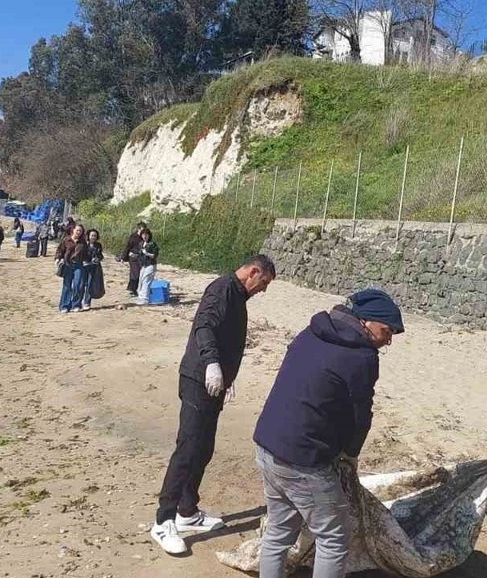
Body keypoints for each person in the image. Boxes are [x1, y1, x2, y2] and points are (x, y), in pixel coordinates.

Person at [253, 289, 404, 578]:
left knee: (279, 530)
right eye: (386, 331)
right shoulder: (362, 357)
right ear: (366, 321)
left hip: (267, 442)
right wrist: (351, 453)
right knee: (334, 538)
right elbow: (360, 415)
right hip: (302, 459)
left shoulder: (311, 332)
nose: (388, 340)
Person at [150, 255, 277, 555]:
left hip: (214, 386)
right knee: (188, 448)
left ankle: (187, 511)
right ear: (253, 272)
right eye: (264, 282)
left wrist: (226, 376)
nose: (264, 289)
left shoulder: (238, 296)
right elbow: (204, 326)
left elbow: (227, 337)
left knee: (204, 448)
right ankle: (163, 520)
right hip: (198, 379)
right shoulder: (222, 289)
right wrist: (211, 364)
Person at [54, 224, 88, 313]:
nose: (79, 232)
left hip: (79, 265)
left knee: (78, 285)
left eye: (80, 231)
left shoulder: (83, 242)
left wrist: (88, 260)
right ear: (73, 230)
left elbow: (86, 253)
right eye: (77, 230)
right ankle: (64, 306)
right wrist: (58, 259)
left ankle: (76, 305)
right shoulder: (66, 240)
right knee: (67, 286)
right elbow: (60, 250)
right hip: (68, 265)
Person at [133, 228, 160, 305]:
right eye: (143, 235)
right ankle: (140, 297)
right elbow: (139, 254)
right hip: (143, 265)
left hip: (151, 265)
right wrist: (134, 255)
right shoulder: (141, 243)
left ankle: (145, 299)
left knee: (146, 281)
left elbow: (155, 255)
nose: (144, 236)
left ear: (149, 235)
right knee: (141, 281)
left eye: (146, 235)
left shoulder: (152, 244)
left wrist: (147, 253)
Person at [81, 229, 106, 311]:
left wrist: (98, 258)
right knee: (81, 284)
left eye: (95, 236)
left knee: (90, 284)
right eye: (92, 235)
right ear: (88, 236)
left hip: (94, 267)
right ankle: (78, 301)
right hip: (84, 267)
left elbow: (100, 255)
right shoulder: (84, 244)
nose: (93, 237)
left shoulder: (98, 245)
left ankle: (87, 302)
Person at [121, 222, 148, 297]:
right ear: (138, 229)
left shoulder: (145, 236)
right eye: (142, 230)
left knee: (141, 274)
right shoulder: (133, 237)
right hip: (133, 258)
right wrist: (123, 257)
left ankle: (137, 289)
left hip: (142, 257)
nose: (143, 232)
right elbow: (128, 247)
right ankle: (132, 289)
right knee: (135, 273)